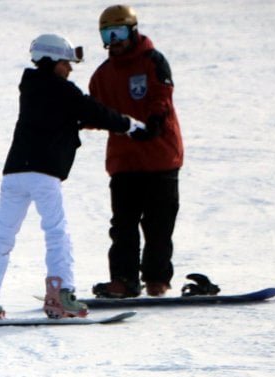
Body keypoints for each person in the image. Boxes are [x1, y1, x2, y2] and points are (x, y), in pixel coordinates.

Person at [0, 33, 148, 322]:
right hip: (44, 173)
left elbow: (76, 114)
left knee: (1, 235)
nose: (70, 68)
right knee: (56, 232)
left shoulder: (30, 88)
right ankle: (61, 296)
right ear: (52, 61)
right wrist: (130, 125)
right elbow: (95, 111)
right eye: (66, 62)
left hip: (14, 172)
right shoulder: (63, 91)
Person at [89, 5, 184, 298]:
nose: (113, 40)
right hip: (124, 161)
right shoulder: (103, 75)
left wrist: (156, 120)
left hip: (160, 158)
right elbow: (94, 110)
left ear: (132, 30)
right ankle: (123, 280)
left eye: (118, 32)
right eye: (107, 34)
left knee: (158, 225)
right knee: (123, 226)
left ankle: (156, 279)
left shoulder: (152, 61)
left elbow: (161, 95)